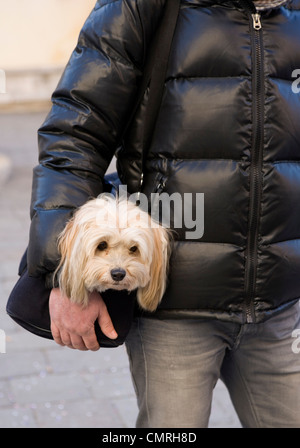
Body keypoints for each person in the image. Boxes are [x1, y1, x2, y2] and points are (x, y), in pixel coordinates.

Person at [26, 0, 300, 428]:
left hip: (281, 306)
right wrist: (63, 274)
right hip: (172, 309)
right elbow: (72, 139)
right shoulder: (142, 4)